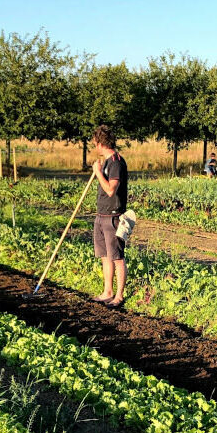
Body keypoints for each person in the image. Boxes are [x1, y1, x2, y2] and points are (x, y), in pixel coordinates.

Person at [91, 124, 128, 308]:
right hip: (101, 214)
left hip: (113, 216)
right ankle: (107, 291)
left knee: (117, 257)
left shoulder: (115, 162)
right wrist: (100, 170)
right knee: (105, 256)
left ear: (99, 143)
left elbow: (111, 190)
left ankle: (119, 296)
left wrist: (97, 173)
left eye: (94, 142)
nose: (93, 146)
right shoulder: (106, 161)